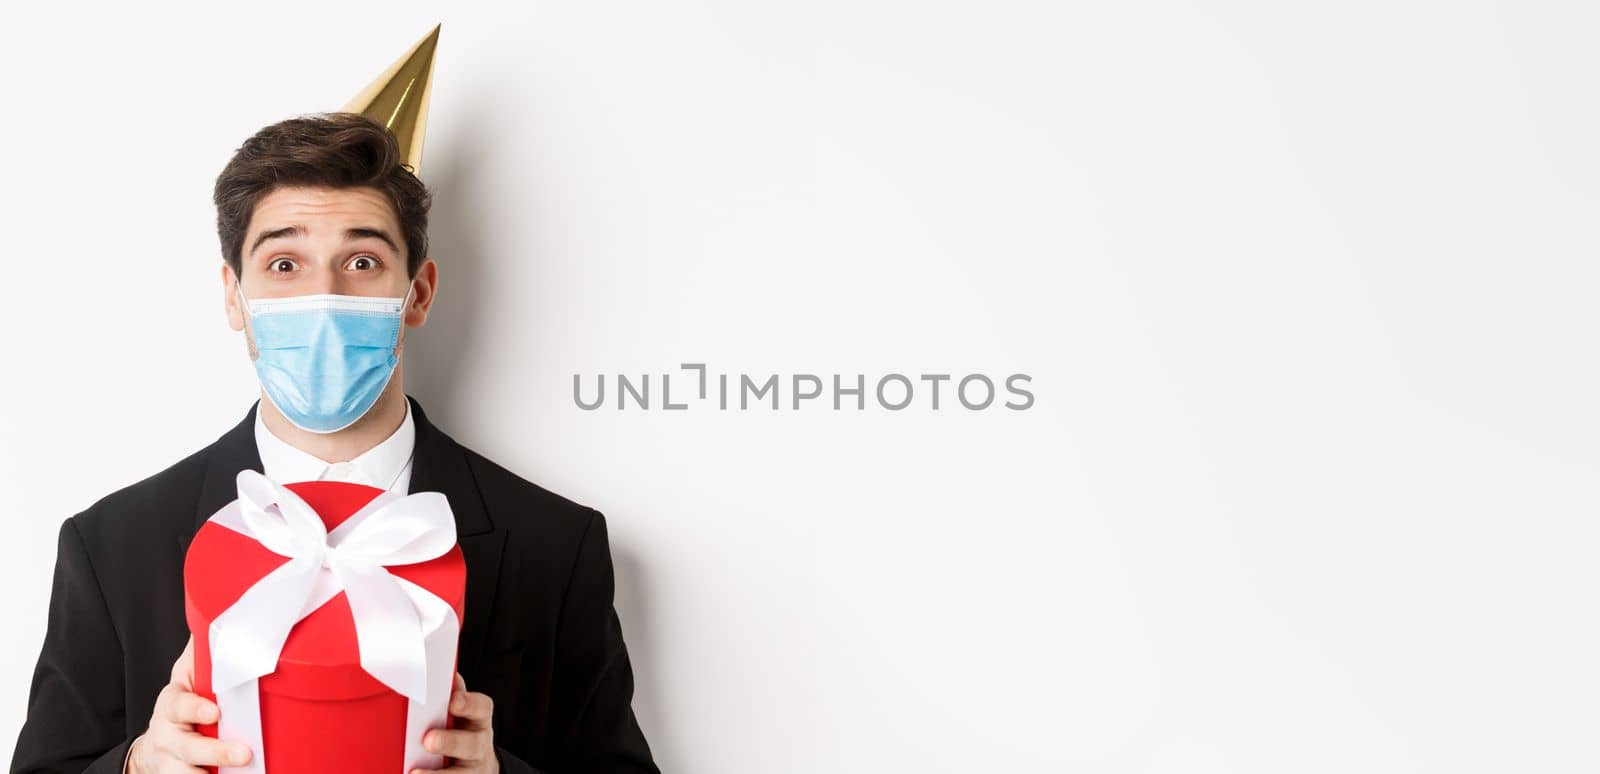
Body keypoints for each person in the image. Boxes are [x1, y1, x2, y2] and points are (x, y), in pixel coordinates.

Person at [8, 112, 660, 774]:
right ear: (235, 296)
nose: (324, 296)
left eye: (362, 261)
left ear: (418, 293)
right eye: (285, 263)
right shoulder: (113, 544)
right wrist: (136, 766)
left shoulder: (555, 544)